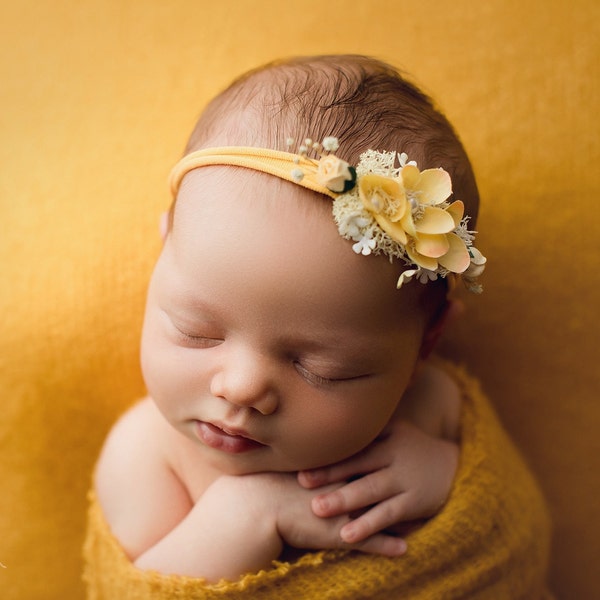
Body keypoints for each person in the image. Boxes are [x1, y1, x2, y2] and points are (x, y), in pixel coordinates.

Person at [83, 55, 551, 599]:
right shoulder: (148, 455)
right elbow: (133, 591)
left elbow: (517, 530)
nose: (241, 388)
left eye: (324, 369)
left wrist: (449, 475)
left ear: (427, 343)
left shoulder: (432, 411)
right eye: (197, 330)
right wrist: (246, 519)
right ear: (164, 250)